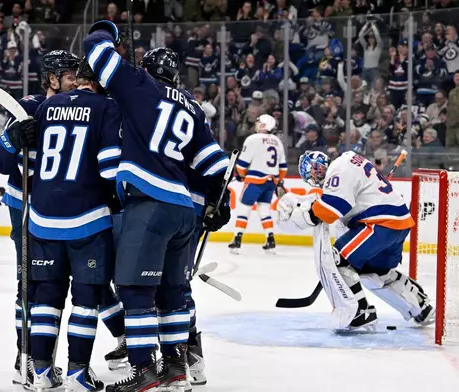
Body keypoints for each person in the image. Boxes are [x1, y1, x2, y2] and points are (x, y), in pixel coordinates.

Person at [81, 20, 230, 391]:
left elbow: (95, 48)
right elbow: (215, 166)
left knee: (133, 288)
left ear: (147, 70)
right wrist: (218, 203)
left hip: (149, 203)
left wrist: (108, 31)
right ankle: (177, 368)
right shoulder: (194, 108)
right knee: (173, 292)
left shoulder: (138, 85)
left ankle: (144, 370)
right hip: (184, 211)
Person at [4, 58, 122, 391]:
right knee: (86, 300)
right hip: (86, 218)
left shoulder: (46, 106)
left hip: (41, 217)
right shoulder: (106, 107)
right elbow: (109, 168)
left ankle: (39, 372)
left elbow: (21, 163)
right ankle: (76, 374)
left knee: (45, 298)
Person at [0, 49, 81, 387]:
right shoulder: (27, 108)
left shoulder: (79, 110)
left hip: (61, 209)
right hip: (26, 205)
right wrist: (15, 140)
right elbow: (0, 163)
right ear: (52, 79)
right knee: (28, 283)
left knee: (56, 286)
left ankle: (42, 359)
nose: (75, 81)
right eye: (70, 75)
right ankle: (24, 356)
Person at [277, 151, 435, 330]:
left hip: (380, 224)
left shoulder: (338, 169)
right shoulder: (347, 162)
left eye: (317, 170)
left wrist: (299, 217)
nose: (317, 174)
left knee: (337, 259)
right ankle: (421, 307)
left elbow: (330, 209)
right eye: (314, 172)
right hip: (398, 223)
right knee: (375, 271)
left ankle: (360, 313)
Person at [229, 114, 287, 254]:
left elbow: (242, 164)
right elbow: (283, 167)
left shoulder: (253, 139)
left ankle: (237, 240)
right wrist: (278, 182)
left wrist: (241, 175)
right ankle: (270, 239)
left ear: (263, 125)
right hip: (270, 182)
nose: (256, 124)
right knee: (264, 210)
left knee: (244, 210)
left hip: (255, 181)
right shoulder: (277, 141)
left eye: (258, 122)